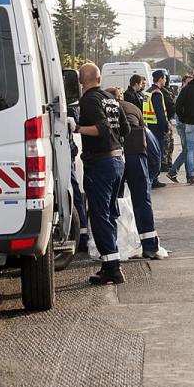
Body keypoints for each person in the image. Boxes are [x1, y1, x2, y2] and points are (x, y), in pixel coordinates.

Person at [76, 64, 130, 285]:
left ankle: (113, 269)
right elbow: (124, 129)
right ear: (99, 78)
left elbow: (102, 128)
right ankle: (110, 263)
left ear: (81, 80)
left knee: (99, 217)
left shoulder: (89, 100)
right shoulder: (110, 97)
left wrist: (76, 128)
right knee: (109, 215)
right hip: (117, 160)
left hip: (100, 163)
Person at [107, 88, 162, 260]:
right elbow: (150, 142)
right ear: (121, 96)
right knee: (142, 200)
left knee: (112, 201)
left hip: (114, 154)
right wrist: (151, 174)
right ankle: (150, 246)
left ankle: (114, 245)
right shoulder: (134, 108)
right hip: (136, 154)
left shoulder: (104, 109)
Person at [144, 71, 170, 189]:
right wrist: (165, 127)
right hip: (157, 127)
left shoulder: (147, 92)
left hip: (148, 125)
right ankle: (154, 178)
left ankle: (151, 178)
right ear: (160, 79)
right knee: (157, 153)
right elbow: (160, 113)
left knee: (151, 153)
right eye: (164, 78)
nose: (165, 81)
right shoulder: (157, 93)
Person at [167, 73, 193, 182]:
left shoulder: (188, 92)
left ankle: (189, 176)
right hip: (182, 125)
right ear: (183, 83)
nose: (190, 84)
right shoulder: (183, 92)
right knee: (187, 150)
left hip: (184, 124)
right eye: (188, 82)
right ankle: (173, 171)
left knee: (187, 150)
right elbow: (179, 110)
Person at [158, 71, 177, 177]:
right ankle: (164, 163)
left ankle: (168, 162)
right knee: (166, 144)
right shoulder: (161, 92)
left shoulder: (166, 90)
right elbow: (170, 105)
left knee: (169, 144)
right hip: (164, 120)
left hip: (167, 119)